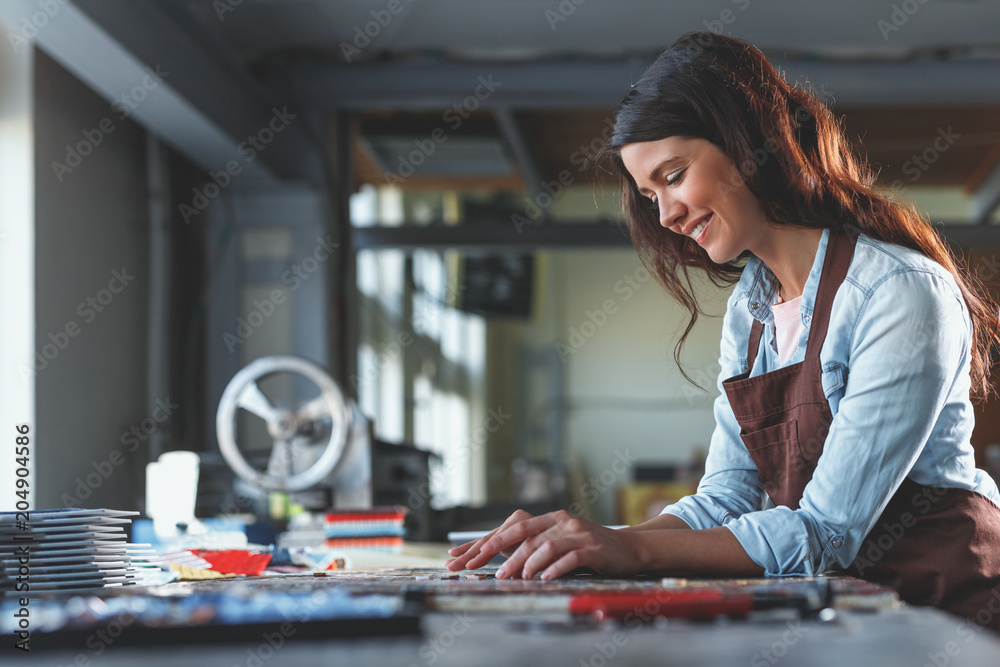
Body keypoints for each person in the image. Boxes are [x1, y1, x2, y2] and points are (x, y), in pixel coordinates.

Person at [446, 31, 1000, 630]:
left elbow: (825, 533)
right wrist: (590, 540)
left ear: (746, 143)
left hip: (950, 619)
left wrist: (628, 549)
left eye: (674, 175)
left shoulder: (899, 293)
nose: (667, 215)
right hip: (859, 617)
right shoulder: (751, 311)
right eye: (650, 194)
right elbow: (724, 500)